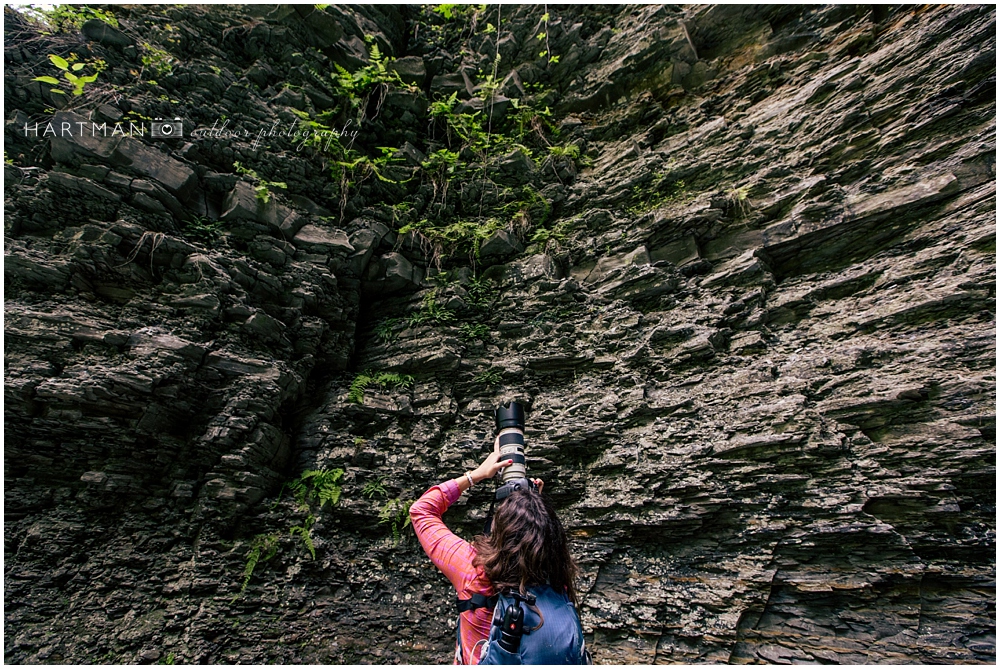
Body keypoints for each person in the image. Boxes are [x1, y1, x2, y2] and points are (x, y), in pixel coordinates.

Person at [410, 436, 583, 664]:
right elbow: (535, 543)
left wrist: (477, 475)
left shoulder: (472, 570)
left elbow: (421, 510)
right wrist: (533, 509)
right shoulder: (555, 575)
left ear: (499, 526)